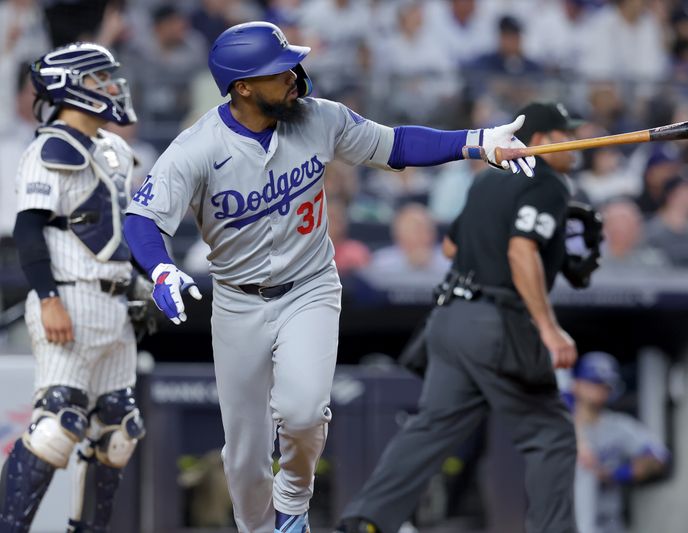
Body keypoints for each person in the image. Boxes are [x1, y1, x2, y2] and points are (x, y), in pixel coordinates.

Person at [122, 21, 536, 533]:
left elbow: (396, 145)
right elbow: (141, 219)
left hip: (311, 286)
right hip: (239, 300)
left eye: (293, 64)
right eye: (280, 71)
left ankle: (294, 507)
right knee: (245, 454)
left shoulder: (320, 118)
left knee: (301, 412)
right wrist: (160, 269)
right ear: (243, 87)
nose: (296, 75)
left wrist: (477, 142)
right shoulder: (197, 148)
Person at [336, 102, 598, 533]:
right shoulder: (549, 183)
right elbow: (521, 249)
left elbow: (453, 249)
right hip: (497, 324)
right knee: (551, 434)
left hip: (449, 320)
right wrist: (550, 330)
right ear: (539, 141)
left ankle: (365, 522)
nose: (574, 144)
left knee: (430, 430)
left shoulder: (488, 181)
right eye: (565, 135)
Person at [0, 43, 146, 532]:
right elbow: (28, 231)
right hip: (69, 295)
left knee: (119, 430)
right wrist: (48, 298)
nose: (110, 88)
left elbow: (124, 228)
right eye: (98, 80)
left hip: (114, 304)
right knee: (56, 426)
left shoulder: (114, 150)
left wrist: (141, 286)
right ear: (70, 88)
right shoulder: (47, 148)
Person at [570, 352, 669, 533]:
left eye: (604, 384)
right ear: (576, 384)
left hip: (607, 522)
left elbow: (659, 456)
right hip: (562, 521)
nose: (598, 388)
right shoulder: (559, 424)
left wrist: (615, 474)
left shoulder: (619, 426)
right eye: (593, 382)